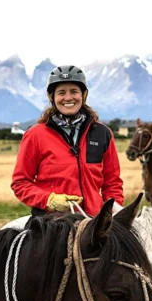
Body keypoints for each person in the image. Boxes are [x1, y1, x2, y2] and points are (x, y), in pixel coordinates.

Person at [11, 65, 124, 216]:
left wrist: (111, 211)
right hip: (49, 223)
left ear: (83, 95)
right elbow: (20, 183)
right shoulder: (35, 135)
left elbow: (112, 183)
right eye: (61, 92)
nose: (68, 98)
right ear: (52, 97)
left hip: (92, 223)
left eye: (74, 91)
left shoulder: (103, 133)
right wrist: (49, 200)